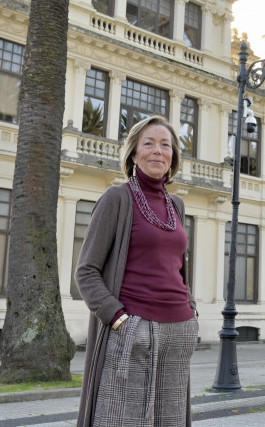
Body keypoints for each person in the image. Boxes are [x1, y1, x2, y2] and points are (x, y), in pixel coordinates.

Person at [75, 115, 199, 427]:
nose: (158, 150)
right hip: (132, 328)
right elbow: (86, 270)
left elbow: (177, 267)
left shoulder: (177, 206)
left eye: (166, 145)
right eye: (149, 143)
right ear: (133, 154)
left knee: (169, 421)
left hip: (178, 329)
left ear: (173, 157)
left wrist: (191, 310)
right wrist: (116, 317)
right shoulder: (117, 199)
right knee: (118, 419)